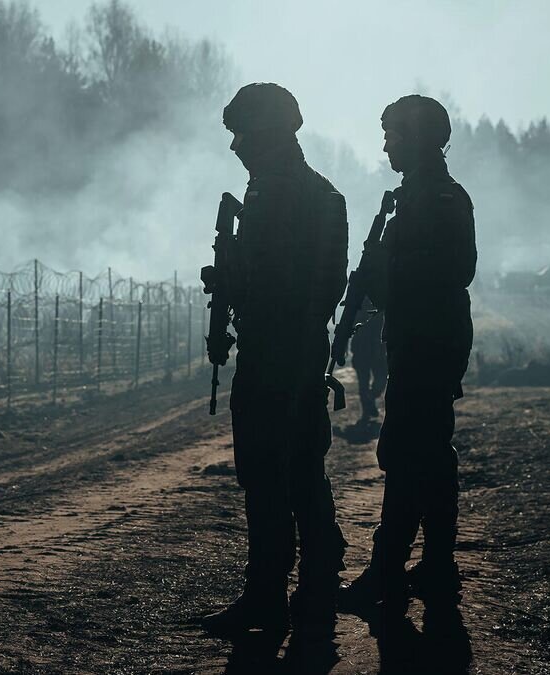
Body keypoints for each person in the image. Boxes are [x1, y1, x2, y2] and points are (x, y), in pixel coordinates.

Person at [201, 83, 349, 636]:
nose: (237, 146)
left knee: (272, 473)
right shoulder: (313, 193)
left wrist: (237, 282)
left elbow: (296, 283)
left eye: (244, 134)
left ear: (269, 134)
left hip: (278, 350)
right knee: (294, 471)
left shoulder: (282, 195)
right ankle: (305, 590)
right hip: (290, 347)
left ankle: (275, 595)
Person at [342, 95, 476, 618]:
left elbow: (453, 270)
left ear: (415, 140)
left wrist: (383, 276)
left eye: (393, 136)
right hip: (419, 341)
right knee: (426, 455)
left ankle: (389, 569)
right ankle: (435, 566)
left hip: (430, 343)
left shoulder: (441, 197)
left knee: (404, 454)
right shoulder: (413, 197)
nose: (385, 146)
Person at [350, 297, 388, 421]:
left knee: (378, 379)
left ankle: (369, 399)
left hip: (376, 348)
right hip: (365, 348)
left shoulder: (380, 302)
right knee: (365, 382)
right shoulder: (359, 305)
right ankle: (367, 408)